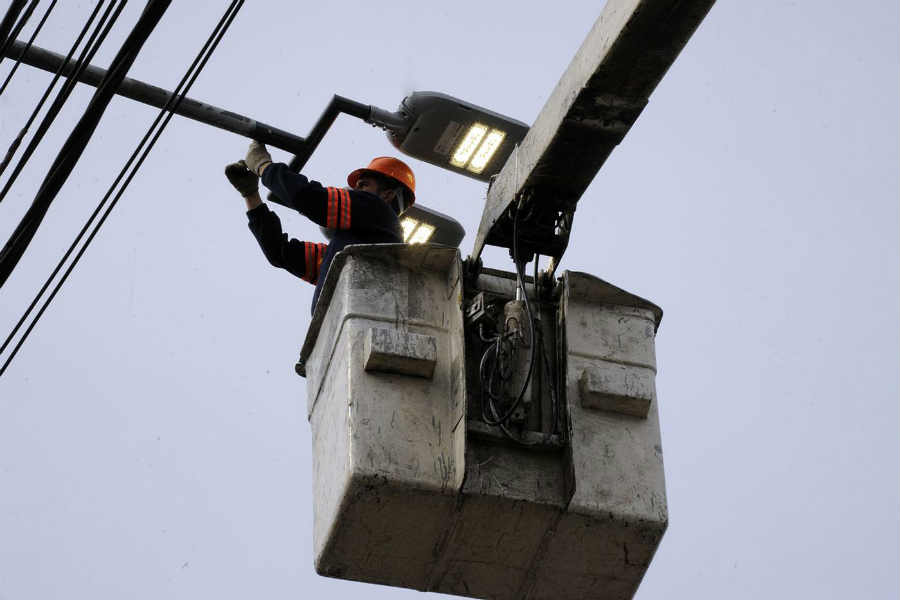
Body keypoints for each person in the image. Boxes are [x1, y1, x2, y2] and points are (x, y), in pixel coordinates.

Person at [224, 141, 416, 314]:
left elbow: (310, 198)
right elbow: (279, 253)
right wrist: (251, 196)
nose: (355, 191)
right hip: (343, 329)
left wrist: (263, 166)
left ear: (387, 195)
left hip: (354, 322)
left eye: (363, 185)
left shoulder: (377, 209)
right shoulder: (346, 258)